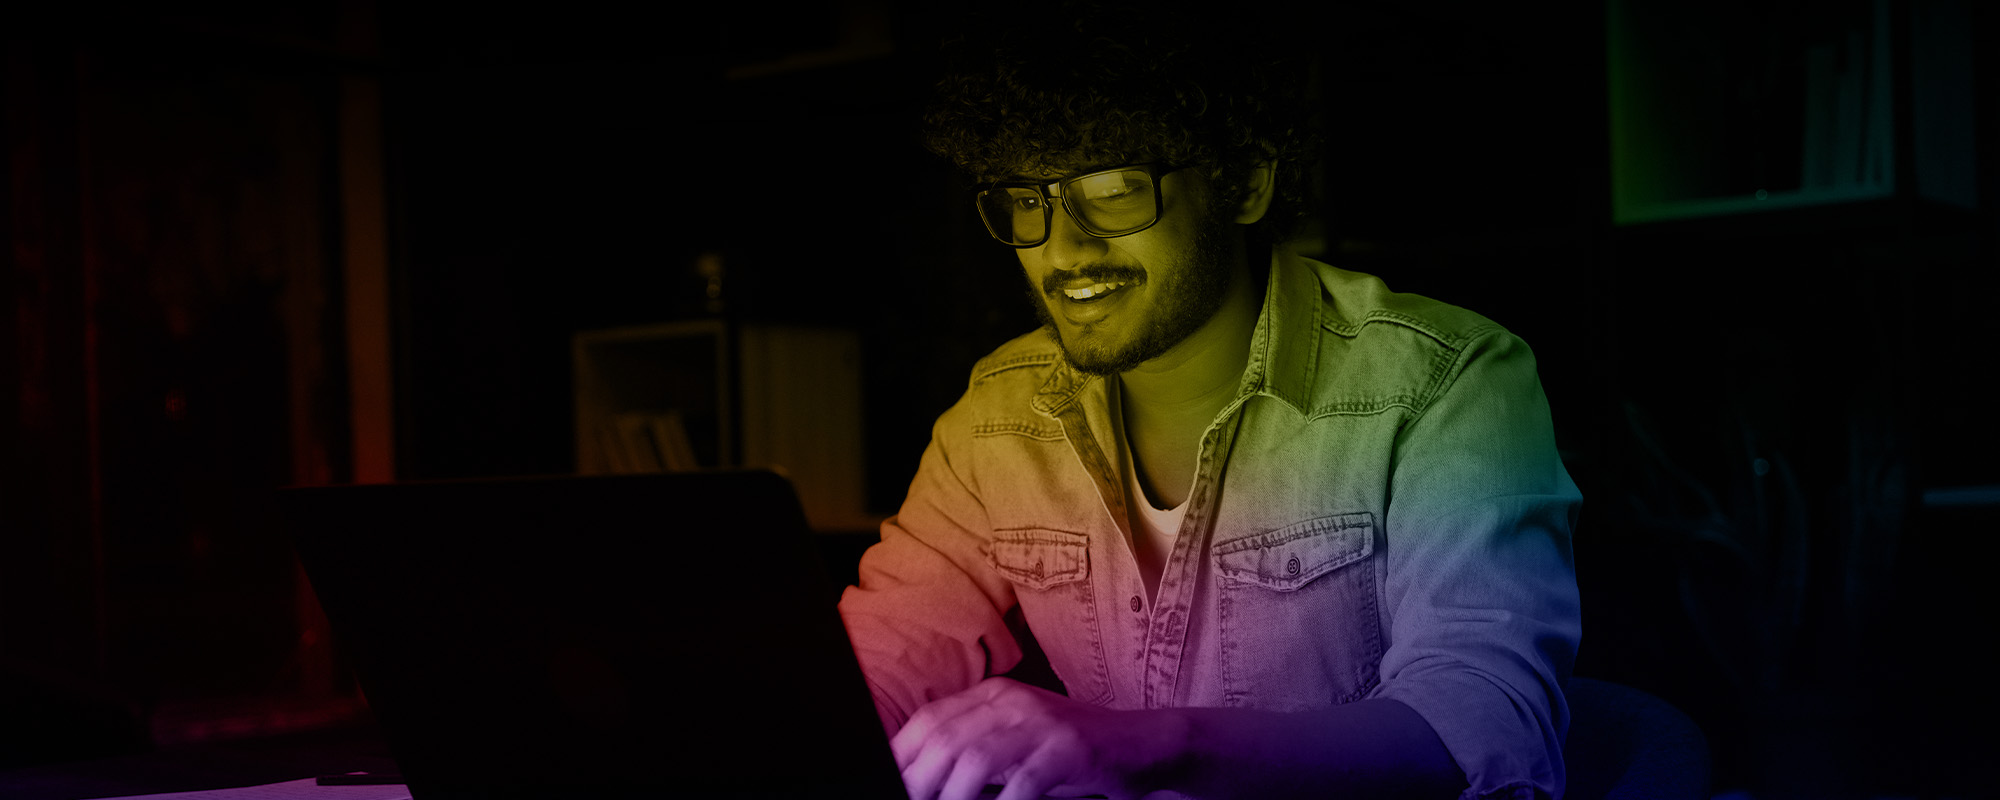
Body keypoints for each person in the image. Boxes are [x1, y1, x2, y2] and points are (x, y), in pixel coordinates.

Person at [837, 5, 1582, 799]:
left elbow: (1481, 722)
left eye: (1114, 192)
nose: (1063, 248)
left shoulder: (1447, 381)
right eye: (1029, 201)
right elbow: (878, 664)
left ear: (1245, 184)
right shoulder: (1000, 413)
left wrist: (1149, 745)